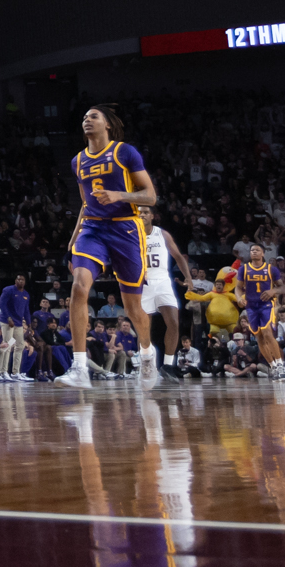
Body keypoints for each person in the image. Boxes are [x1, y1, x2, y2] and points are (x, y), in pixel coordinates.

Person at [57, 104, 159, 389]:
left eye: (93, 116)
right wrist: (72, 240)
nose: (86, 120)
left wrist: (118, 195)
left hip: (126, 228)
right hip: (93, 228)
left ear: (108, 125)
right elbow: (85, 203)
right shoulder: (78, 161)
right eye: (84, 117)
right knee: (79, 286)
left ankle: (148, 353)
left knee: (133, 307)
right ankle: (79, 368)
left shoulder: (124, 152)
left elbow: (150, 196)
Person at [142, 218, 192, 379]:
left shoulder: (162, 234)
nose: (142, 215)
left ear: (151, 216)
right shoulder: (131, 233)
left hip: (163, 282)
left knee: (174, 323)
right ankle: (146, 363)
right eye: (139, 212)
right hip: (142, 284)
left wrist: (188, 277)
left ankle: (168, 365)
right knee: (144, 328)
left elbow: (178, 256)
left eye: (146, 212)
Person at [237, 243, 285, 382]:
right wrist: (238, 298)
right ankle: (272, 366)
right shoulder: (244, 269)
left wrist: (273, 291)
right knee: (259, 337)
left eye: (257, 250)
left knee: (267, 332)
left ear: (263, 254)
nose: (254, 252)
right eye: (252, 250)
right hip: (250, 306)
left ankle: (280, 365)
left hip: (266, 305)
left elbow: (282, 287)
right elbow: (238, 288)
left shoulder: (271, 269)